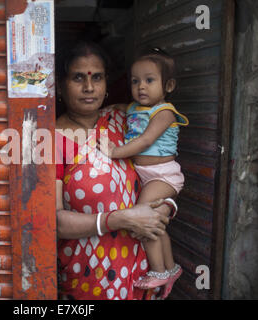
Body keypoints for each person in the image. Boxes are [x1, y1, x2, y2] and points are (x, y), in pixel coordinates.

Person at [55, 41, 176, 300]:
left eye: (97, 78)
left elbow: (160, 172)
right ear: (59, 85)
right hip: (90, 279)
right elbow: (54, 222)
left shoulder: (125, 123)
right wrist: (120, 219)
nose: (89, 88)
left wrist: (164, 207)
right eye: (78, 77)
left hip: (141, 275)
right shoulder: (50, 140)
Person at [100, 47, 189, 297]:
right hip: (149, 175)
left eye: (149, 80)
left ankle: (158, 271)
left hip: (162, 174)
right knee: (158, 226)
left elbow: (145, 140)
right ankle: (171, 268)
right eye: (135, 81)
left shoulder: (165, 112)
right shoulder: (133, 107)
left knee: (145, 218)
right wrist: (109, 108)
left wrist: (115, 152)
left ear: (168, 85)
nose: (141, 87)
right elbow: (123, 106)